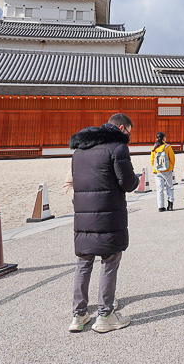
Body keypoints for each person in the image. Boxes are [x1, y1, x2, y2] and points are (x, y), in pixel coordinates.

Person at [67, 113, 139, 333]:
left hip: (83, 214)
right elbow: (127, 183)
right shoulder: (117, 148)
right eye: (129, 131)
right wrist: (136, 179)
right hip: (109, 214)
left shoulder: (79, 150)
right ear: (122, 128)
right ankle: (105, 314)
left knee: (84, 262)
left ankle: (79, 315)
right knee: (109, 261)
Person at [150, 132, 175, 212]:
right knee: (169, 187)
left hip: (157, 171)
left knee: (159, 189)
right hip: (167, 170)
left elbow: (152, 160)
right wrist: (171, 167)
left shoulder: (154, 147)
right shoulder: (167, 147)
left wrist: (155, 168)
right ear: (164, 138)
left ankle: (160, 206)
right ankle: (170, 205)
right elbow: (172, 158)